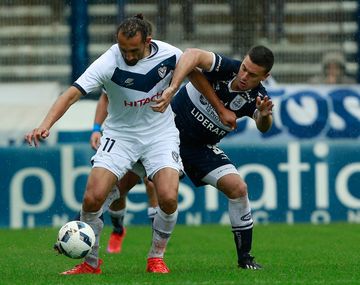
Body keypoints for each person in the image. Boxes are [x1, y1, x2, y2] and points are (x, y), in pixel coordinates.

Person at [25, 14, 233, 275]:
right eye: (123, 49)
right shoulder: (108, 61)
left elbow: (196, 75)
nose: (128, 56)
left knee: (168, 198)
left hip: (160, 134)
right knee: (93, 197)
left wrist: (221, 109)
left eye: (133, 51)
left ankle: (156, 257)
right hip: (121, 135)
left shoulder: (169, 54)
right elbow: (71, 94)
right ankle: (90, 263)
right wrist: (46, 123)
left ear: (147, 41)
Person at [156, 45, 275, 269]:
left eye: (252, 75)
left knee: (238, 188)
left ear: (265, 77)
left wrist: (265, 116)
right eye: (244, 68)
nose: (244, 76)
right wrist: (175, 88)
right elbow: (190, 55)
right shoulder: (226, 67)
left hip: (199, 147)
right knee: (120, 185)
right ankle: (83, 227)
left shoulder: (258, 97)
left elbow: (263, 125)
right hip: (164, 135)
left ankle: (245, 258)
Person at [90, 91, 158, 253]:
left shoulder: (164, 70)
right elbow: (105, 96)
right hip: (122, 136)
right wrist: (96, 128)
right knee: (116, 189)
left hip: (152, 136)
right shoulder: (119, 69)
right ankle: (118, 229)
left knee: (153, 183)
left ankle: (157, 247)